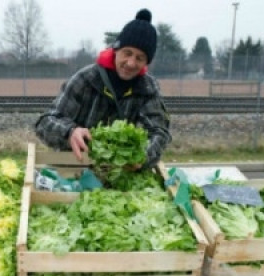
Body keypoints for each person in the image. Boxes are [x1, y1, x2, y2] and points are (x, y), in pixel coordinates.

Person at [35, 8, 171, 170]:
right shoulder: (85, 79)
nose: (131, 63)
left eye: (140, 58)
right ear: (116, 50)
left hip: (120, 174)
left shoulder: (147, 89)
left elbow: (159, 132)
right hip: (75, 169)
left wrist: (143, 155)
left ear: (146, 63)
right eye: (127, 53)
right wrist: (70, 132)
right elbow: (45, 122)